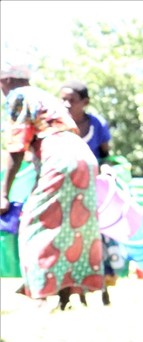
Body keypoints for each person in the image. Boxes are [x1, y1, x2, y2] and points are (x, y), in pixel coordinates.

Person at [0, 60, 103, 311]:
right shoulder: (44, 97)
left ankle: (41, 294)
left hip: (59, 157)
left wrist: (3, 193)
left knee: (33, 224)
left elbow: (16, 148)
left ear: (9, 80)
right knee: (73, 225)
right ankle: (69, 293)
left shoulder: (18, 96)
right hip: (83, 157)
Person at [59, 80, 116, 305]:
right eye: (62, 99)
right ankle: (65, 298)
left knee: (94, 242)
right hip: (65, 192)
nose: (65, 104)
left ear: (85, 102)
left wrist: (107, 170)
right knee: (66, 242)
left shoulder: (97, 125)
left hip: (91, 193)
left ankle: (102, 295)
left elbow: (106, 157)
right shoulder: (57, 125)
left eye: (71, 100)